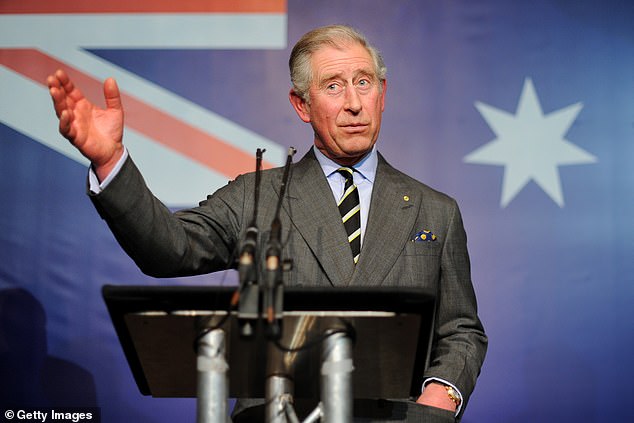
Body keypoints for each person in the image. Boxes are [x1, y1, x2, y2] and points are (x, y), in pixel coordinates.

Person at [48, 25, 487, 422]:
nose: (354, 103)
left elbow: (460, 328)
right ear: (302, 104)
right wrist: (110, 162)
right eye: (333, 86)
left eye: (363, 83)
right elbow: (170, 248)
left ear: (382, 94)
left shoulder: (435, 210)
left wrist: (442, 396)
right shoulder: (256, 197)